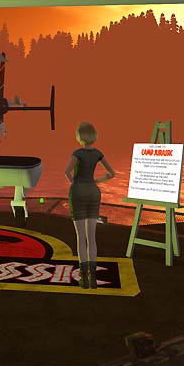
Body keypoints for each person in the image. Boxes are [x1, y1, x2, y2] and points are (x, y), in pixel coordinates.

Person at [65, 122, 115, 290]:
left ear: (79, 135)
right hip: (94, 192)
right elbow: (111, 173)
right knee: (91, 237)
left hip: (78, 191)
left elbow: (67, 172)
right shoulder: (98, 153)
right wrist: (96, 181)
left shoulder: (77, 153)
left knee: (81, 238)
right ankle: (93, 279)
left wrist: (74, 184)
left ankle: (84, 279)